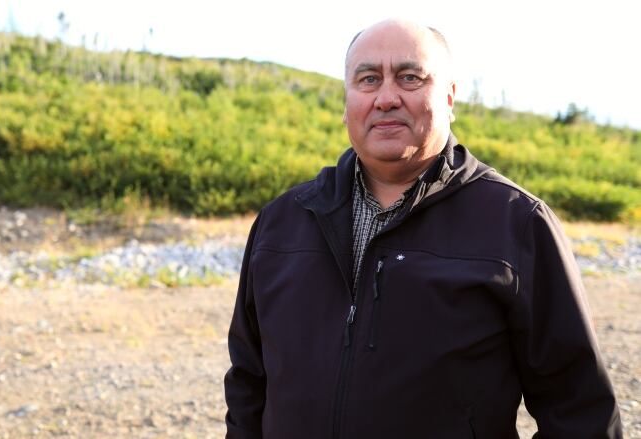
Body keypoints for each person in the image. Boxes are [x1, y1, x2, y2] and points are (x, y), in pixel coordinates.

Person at [223, 18, 622, 438]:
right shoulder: (282, 221)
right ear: (346, 104)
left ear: (449, 97)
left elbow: (580, 411)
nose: (386, 98)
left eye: (410, 78)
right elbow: (249, 383)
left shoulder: (516, 223)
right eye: (368, 79)